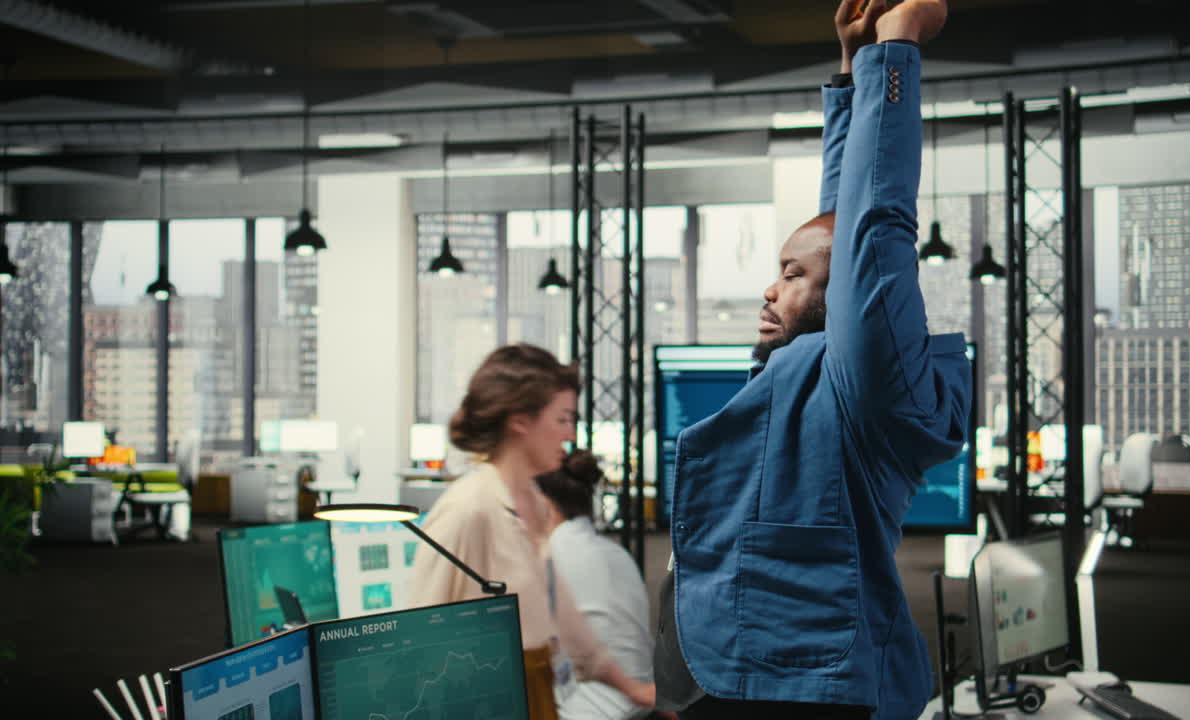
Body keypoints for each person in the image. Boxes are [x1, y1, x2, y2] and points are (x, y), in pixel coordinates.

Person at [654, 1, 971, 719]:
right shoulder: (813, 364)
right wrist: (851, 70)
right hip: (742, 680)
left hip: (800, 696)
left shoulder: (866, 389)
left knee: (863, 231)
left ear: (850, 300)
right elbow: (838, 221)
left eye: (792, 275)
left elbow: (868, 225)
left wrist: (894, 58)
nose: (770, 287)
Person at [408, 344, 657, 720]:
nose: (570, 434)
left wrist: (634, 689)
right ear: (520, 420)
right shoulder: (469, 509)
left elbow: (567, 623)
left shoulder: (537, 506)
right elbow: (417, 644)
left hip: (539, 695)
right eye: (562, 419)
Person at [535, 450, 654, 720]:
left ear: (543, 503)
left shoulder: (551, 558)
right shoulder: (616, 554)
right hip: (640, 710)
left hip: (588, 713)